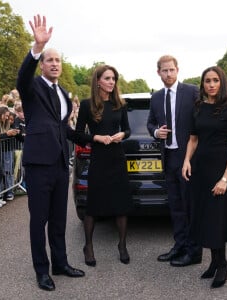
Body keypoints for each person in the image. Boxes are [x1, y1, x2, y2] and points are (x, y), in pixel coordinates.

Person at [16, 15, 86, 291]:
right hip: (38, 165)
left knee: (59, 219)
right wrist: (36, 47)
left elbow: (64, 129)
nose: (55, 64)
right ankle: (41, 271)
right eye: (50, 60)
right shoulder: (31, 87)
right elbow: (22, 76)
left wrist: (95, 138)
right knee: (39, 221)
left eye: (58, 60)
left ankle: (61, 263)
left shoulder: (64, 94)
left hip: (59, 165)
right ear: (42, 65)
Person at [182, 66, 227, 288]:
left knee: (218, 217)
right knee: (206, 217)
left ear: (221, 82)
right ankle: (215, 262)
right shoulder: (198, 108)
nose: (211, 84)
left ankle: (223, 263)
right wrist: (187, 160)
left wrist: (225, 178)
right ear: (203, 84)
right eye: (207, 81)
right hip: (200, 169)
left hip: (220, 170)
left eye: (215, 80)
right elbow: (193, 139)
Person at [147, 55, 202, 267]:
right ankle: (179, 245)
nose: (168, 74)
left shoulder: (192, 92)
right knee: (176, 206)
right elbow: (150, 122)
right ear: (158, 72)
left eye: (171, 70)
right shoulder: (156, 97)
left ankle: (194, 251)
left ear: (177, 70)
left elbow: (202, 120)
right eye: (164, 70)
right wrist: (155, 132)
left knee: (190, 206)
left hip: (188, 159)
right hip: (168, 158)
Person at [75, 64, 132, 267]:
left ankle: (122, 245)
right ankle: (88, 246)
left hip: (117, 157)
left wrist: (122, 135)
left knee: (121, 204)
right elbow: (78, 135)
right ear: (98, 81)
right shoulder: (86, 104)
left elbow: (127, 129)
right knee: (94, 205)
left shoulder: (120, 104)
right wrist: (96, 137)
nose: (111, 82)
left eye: (113, 79)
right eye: (107, 78)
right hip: (99, 158)